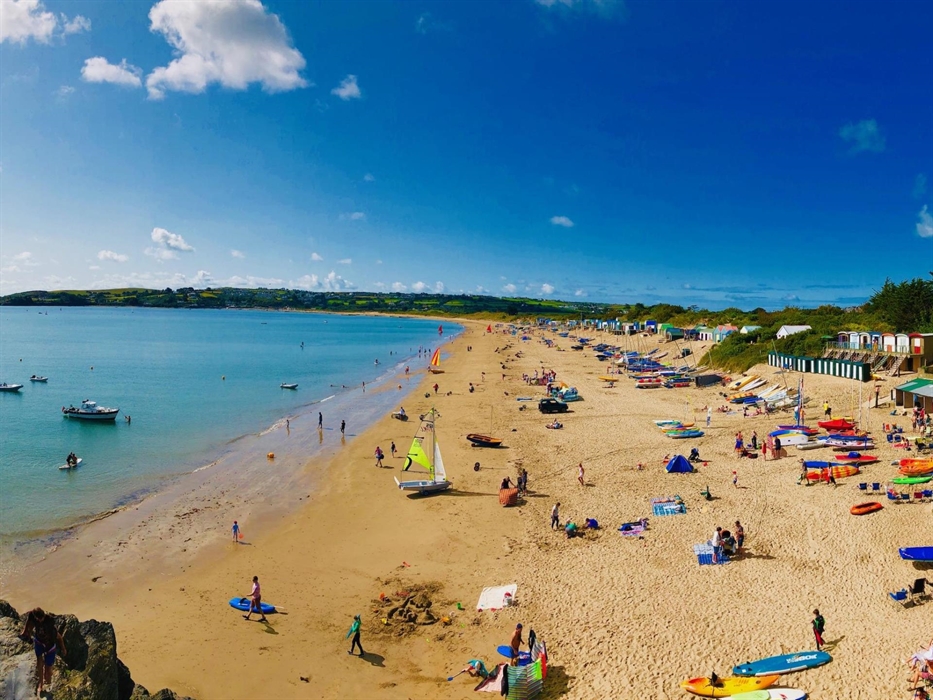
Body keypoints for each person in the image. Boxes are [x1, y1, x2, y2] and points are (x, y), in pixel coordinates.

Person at [20, 607, 66, 697]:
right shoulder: (33, 616)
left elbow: (59, 637)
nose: (39, 620)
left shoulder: (49, 622)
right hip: (39, 642)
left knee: (48, 670)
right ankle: (40, 684)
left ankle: (48, 680)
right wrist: (25, 632)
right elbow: (29, 622)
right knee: (39, 662)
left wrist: (63, 648)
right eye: (38, 619)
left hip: (50, 647)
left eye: (41, 619)